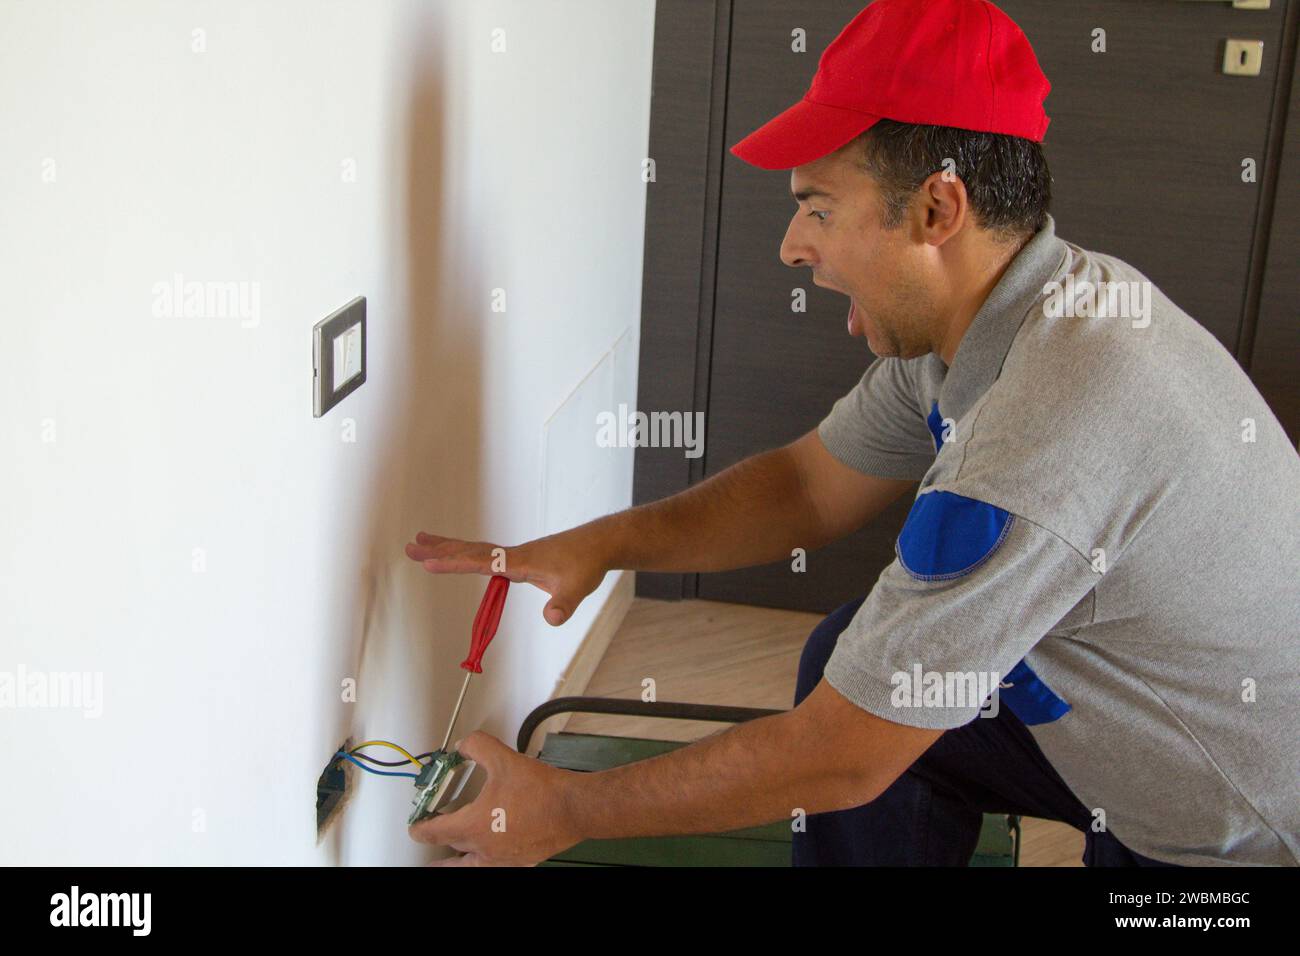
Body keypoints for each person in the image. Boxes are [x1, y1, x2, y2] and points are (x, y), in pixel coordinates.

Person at [404, 0, 1300, 866]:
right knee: (852, 655)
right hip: (1132, 733)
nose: (794, 246)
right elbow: (806, 487)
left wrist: (564, 809)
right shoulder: (1011, 314)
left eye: (821, 208)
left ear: (937, 210)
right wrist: (603, 544)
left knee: (863, 728)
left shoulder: (1043, 432)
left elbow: (842, 756)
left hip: (1236, 834)